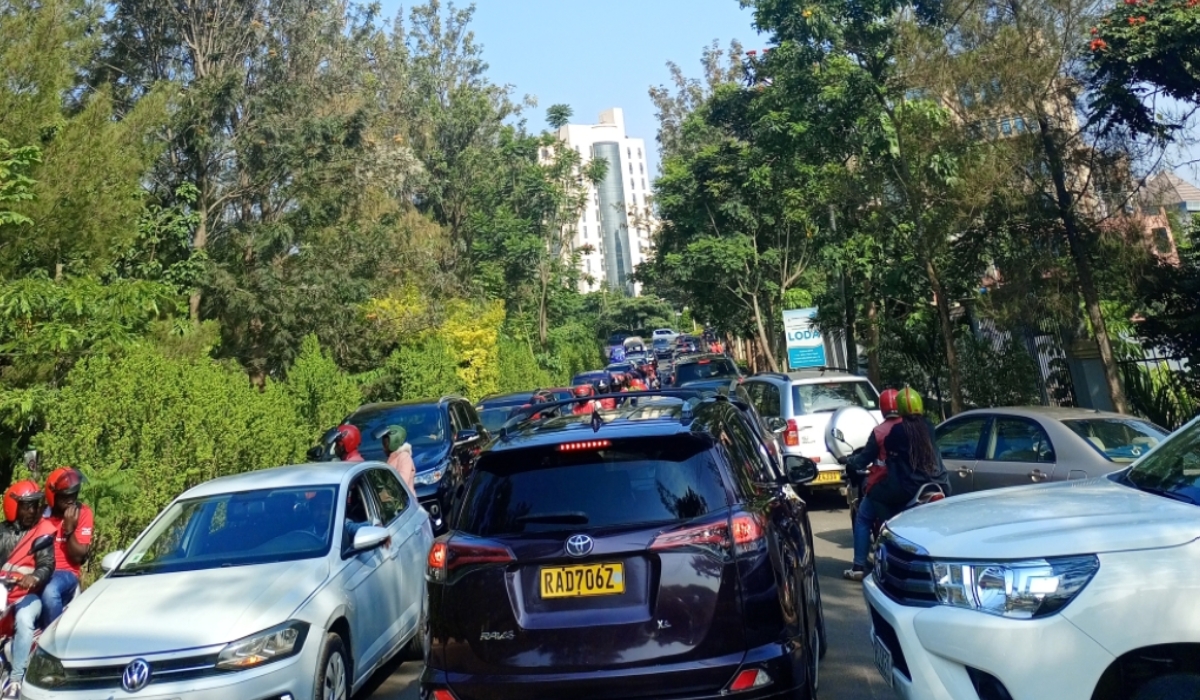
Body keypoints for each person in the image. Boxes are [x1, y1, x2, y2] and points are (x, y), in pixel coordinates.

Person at [844, 388, 949, 582]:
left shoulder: (889, 432)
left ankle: (859, 564)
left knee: (865, 514)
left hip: (905, 486)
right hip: (937, 484)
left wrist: (852, 463)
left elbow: (874, 459)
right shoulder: (929, 427)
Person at [0, 481, 56, 699]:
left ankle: (15, 680)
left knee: (24, 619)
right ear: (13, 507)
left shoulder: (42, 533)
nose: (32, 510)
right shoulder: (2, 531)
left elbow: (47, 564)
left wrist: (34, 577)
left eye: (35, 505)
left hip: (28, 596)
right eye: (27, 506)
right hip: (3, 593)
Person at [843, 389, 901, 581]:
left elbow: (863, 460)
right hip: (911, 485)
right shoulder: (912, 428)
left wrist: (850, 461)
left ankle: (858, 566)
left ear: (883, 409)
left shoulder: (879, 432)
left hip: (882, 485)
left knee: (863, 518)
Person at [40, 468, 92, 629]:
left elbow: (78, 557)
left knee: (49, 592)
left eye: (74, 495)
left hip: (66, 572)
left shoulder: (82, 513)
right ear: (53, 496)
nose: (71, 501)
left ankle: (54, 637)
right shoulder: (40, 515)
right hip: (40, 569)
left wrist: (69, 530)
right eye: (65, 497)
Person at [382, 426, 416, 493]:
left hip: (405, 501)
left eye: (385, 445)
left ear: (393, 442)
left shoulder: (404, 457)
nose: (383, 449)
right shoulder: (391, 458)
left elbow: (402, 482)